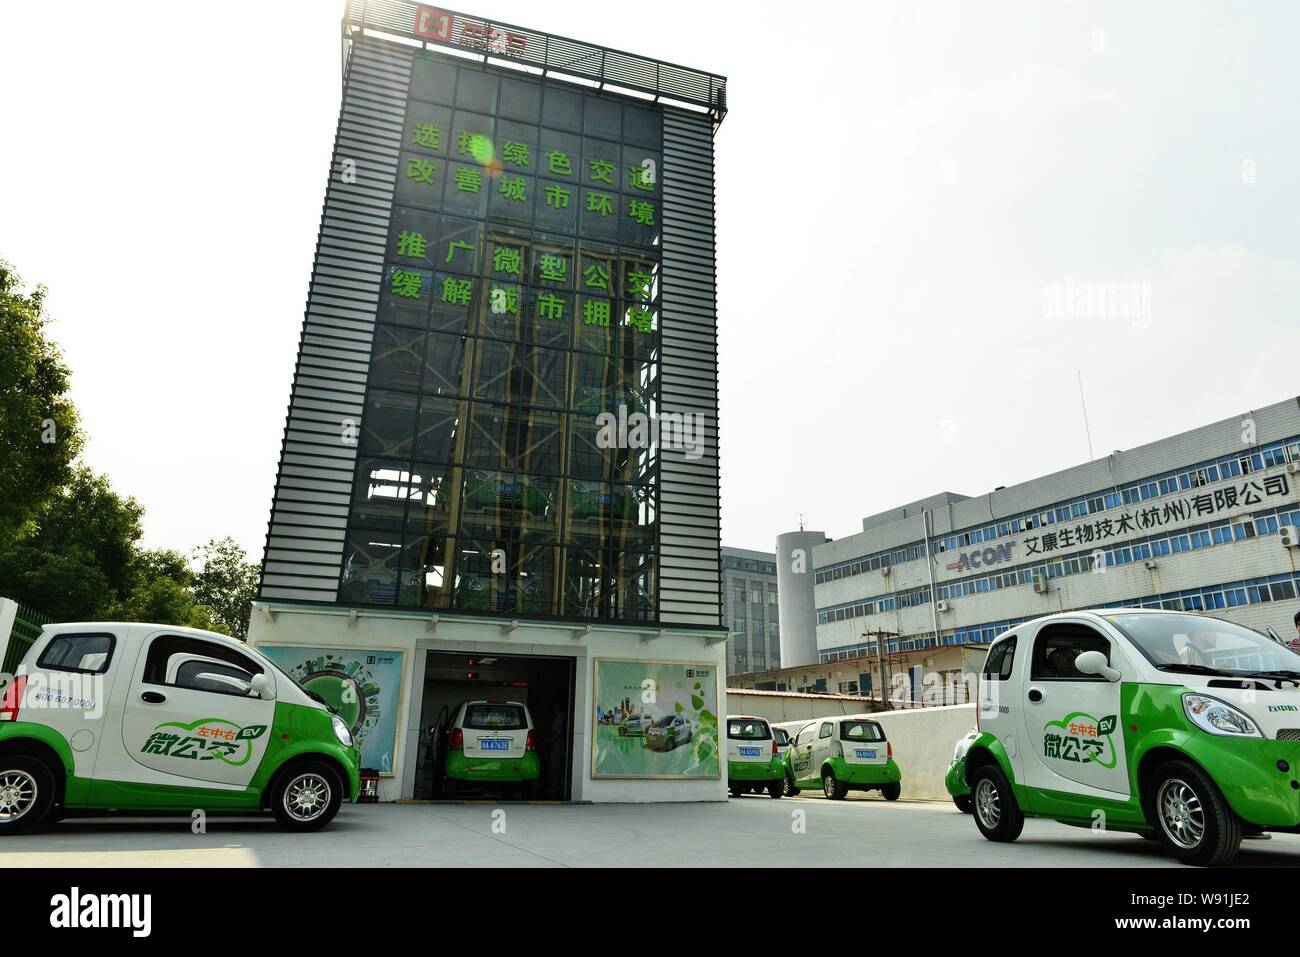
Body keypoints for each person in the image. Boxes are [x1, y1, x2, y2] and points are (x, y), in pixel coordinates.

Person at [542, 698, 567, 800]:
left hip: (557, 747)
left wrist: (545, 742)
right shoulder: (563, 715)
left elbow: (556, 733)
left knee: (553, 770)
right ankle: (557, 792)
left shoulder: (560, 716)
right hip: (559, 745)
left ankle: (553, 794)